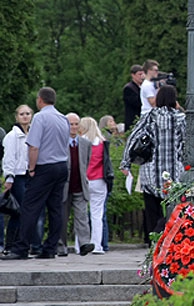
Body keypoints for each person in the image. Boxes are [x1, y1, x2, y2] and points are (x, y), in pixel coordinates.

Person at [2, 87, 70, 260]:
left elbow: (33, 146)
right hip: (61, 165)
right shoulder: (63, 118)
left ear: (40, 100)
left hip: (45, 166)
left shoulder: (40, 118)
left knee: (30, 207)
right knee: (55, 208)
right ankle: (50, 248)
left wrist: (31, 168)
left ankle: (21, 247)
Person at [121, 85, 186, 242]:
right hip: (174, 172)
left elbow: (133, 139)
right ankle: (169, 237)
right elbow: (186, 143)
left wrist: (126, 163)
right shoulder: (181, 118)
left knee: (152, 210)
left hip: (151, 171)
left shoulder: (149, 117)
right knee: (173, 208)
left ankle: (153, 239)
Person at [2, 105, 44, 255]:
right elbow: (9, 158)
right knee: (18, 211)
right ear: (17, 117)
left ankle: (30, 243)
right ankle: (11, 244)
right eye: (22, 114)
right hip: (18, 176)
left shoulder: (34, 133)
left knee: (31, 211)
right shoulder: (12, 136)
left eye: (27, 113)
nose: (25, 116)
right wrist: (9, 177)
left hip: (31, 175)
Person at [57, 113, 95, 257]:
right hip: (63, 186)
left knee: (82, 216)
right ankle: (61, 245)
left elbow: (86, 162)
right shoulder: (59, 142)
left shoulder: (85, 144)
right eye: (70, 124)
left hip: (79, 184)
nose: (73, 127)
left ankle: (84, 243)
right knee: (62, 217)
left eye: (76, 124)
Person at [79, 117, 113, 255]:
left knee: (80, 214)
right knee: (97, 215)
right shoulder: (102, 142)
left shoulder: (82, 142)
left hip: (84, 179)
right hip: (99, 180)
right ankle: (97, 245)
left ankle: (80, 245)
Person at [123, 64, 144, 131]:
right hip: (133, 121)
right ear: (133, 75)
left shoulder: (142, 87)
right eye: (139, 74)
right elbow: (137, 103)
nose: (142, 77)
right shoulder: (129, 88)